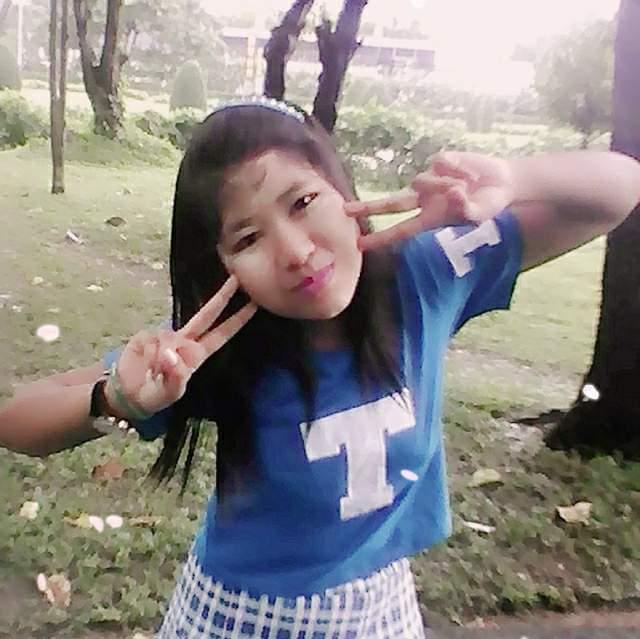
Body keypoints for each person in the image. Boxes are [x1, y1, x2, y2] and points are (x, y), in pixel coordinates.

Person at [1, 97, 639, 639]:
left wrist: (512, 176)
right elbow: (13, 418)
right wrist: (116, 399)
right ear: (223, 267)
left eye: (303, 201)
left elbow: (618, 188)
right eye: (248, 238)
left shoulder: (424, 276)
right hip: (239, 616)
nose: (297, 252)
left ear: (343, 189)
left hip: (383, 605)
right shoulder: (210, 355)